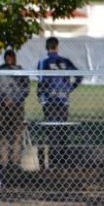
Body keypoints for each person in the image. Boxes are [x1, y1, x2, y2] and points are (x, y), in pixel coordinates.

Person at [36, 37, 82, 165]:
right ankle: (63, 160)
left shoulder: (43, 62)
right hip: (63, 101)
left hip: (49, 102)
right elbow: (79, 75)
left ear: (47, 47)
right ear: (57, 47)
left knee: (52, 131)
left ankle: (54, 161)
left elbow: (40, 81)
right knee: (63, 129)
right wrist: (69, 88)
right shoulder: (65, 61)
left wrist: (41, 96)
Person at [0, 49, 30, 168]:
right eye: (7, 57)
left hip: (17, 108)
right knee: (3, 134)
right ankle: (3, 161)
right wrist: (2, 100)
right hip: (2, 108)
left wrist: (14, 100)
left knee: (17, 134)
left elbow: (26, 90)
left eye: (11, 57)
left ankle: (16, 162)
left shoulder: (20, 71)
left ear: (15, 58)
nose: (9, 60)